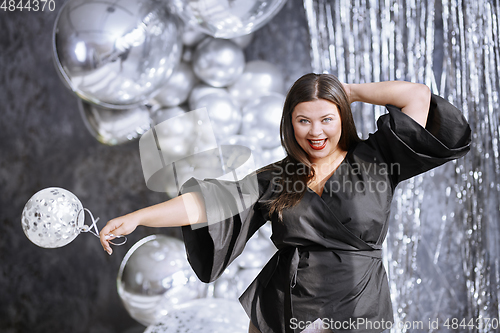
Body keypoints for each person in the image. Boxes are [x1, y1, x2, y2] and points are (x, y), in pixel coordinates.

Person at [100, 74, 471, 333]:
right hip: (283, 304)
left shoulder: (376, 157)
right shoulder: (280, 177)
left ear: (341, 116)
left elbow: (418, 95)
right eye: (303, 120)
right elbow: (207, 204)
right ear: (290, 124)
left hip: (358, 303)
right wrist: (137, 218)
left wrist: (350, 91)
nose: (316, 131)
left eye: (327, 118)